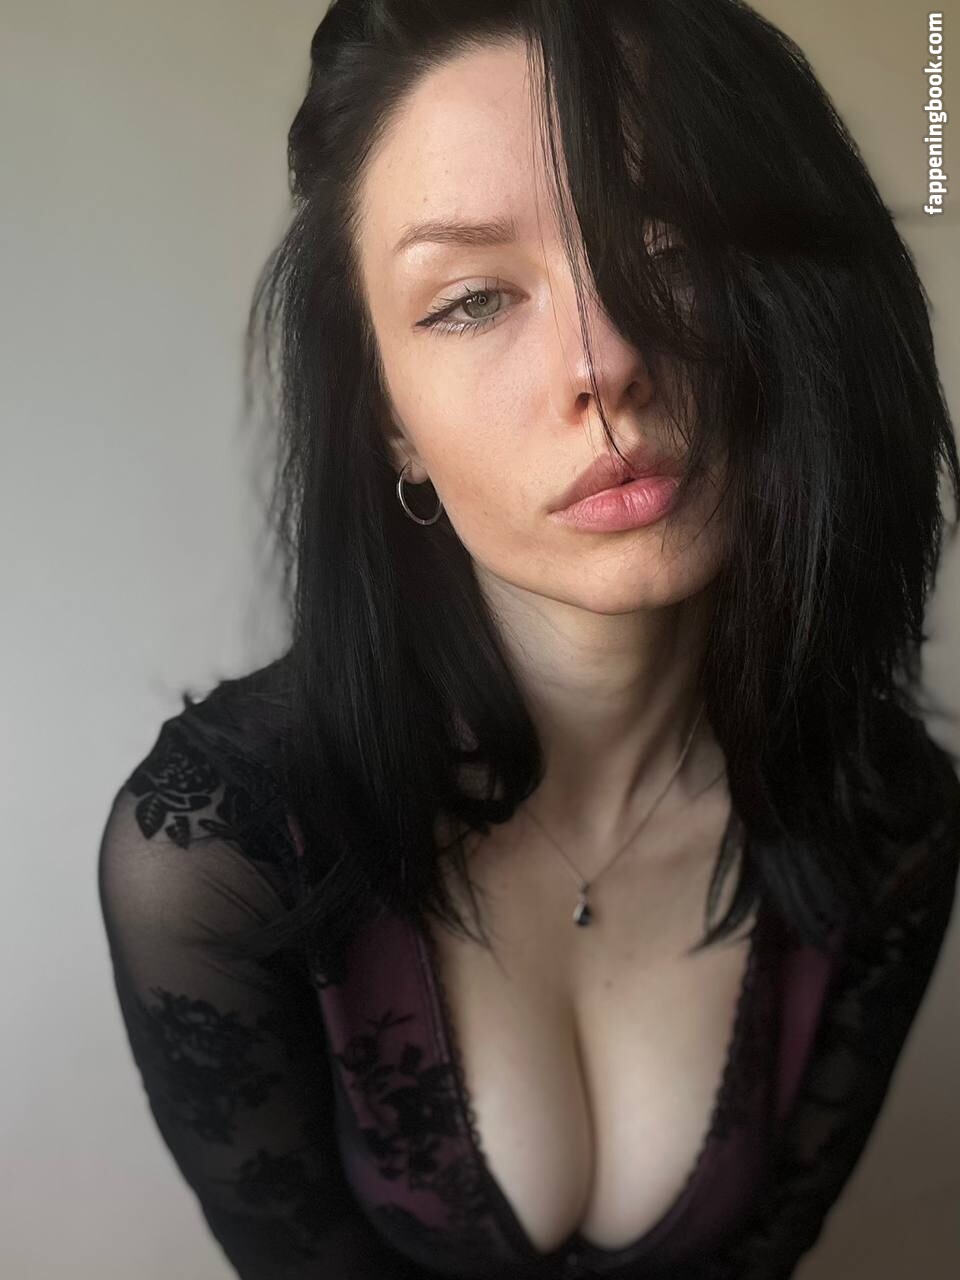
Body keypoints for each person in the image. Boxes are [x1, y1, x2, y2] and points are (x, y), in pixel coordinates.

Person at [97, 1, 960, 1277]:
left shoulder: (890, 818)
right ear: (389, 420)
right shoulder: (216, 848)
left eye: (670, 252)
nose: (605, 361)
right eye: (472, 299)